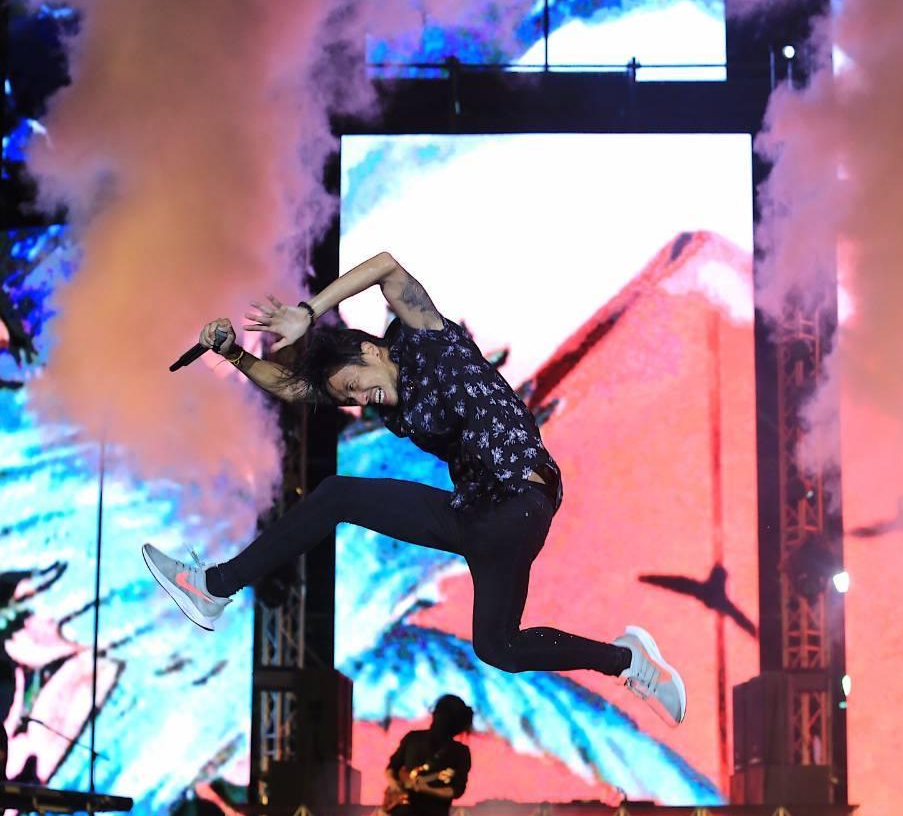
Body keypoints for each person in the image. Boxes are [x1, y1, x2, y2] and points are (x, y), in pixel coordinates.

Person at [143, 252, 686, 725]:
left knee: (338, 494)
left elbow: (386, 267)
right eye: (351, 398)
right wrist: (234, 354)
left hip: (518, 501)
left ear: (371, 351)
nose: (363, 398)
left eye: (357, 385)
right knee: (497, 646)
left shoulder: (428, 339)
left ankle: (215, 585)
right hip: (479, 517)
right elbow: (292, 387)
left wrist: (308, 312)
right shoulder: (393, 408)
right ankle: (628, 661)